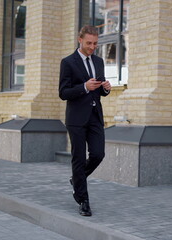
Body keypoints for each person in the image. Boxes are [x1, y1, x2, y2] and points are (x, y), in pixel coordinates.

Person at [58, 25, 111, 216]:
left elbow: (101, 90)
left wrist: (105, 88)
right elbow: (63, 93)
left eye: (95, 43)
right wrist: (84, 87)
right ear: (80, 40)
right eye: (89, 43)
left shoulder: (98, 61)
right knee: (79, 158)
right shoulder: (68, 62)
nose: (92, 47)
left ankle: (77, 179)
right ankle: (83, 200)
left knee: (98, 154)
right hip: (76, 119)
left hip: (95, 116)